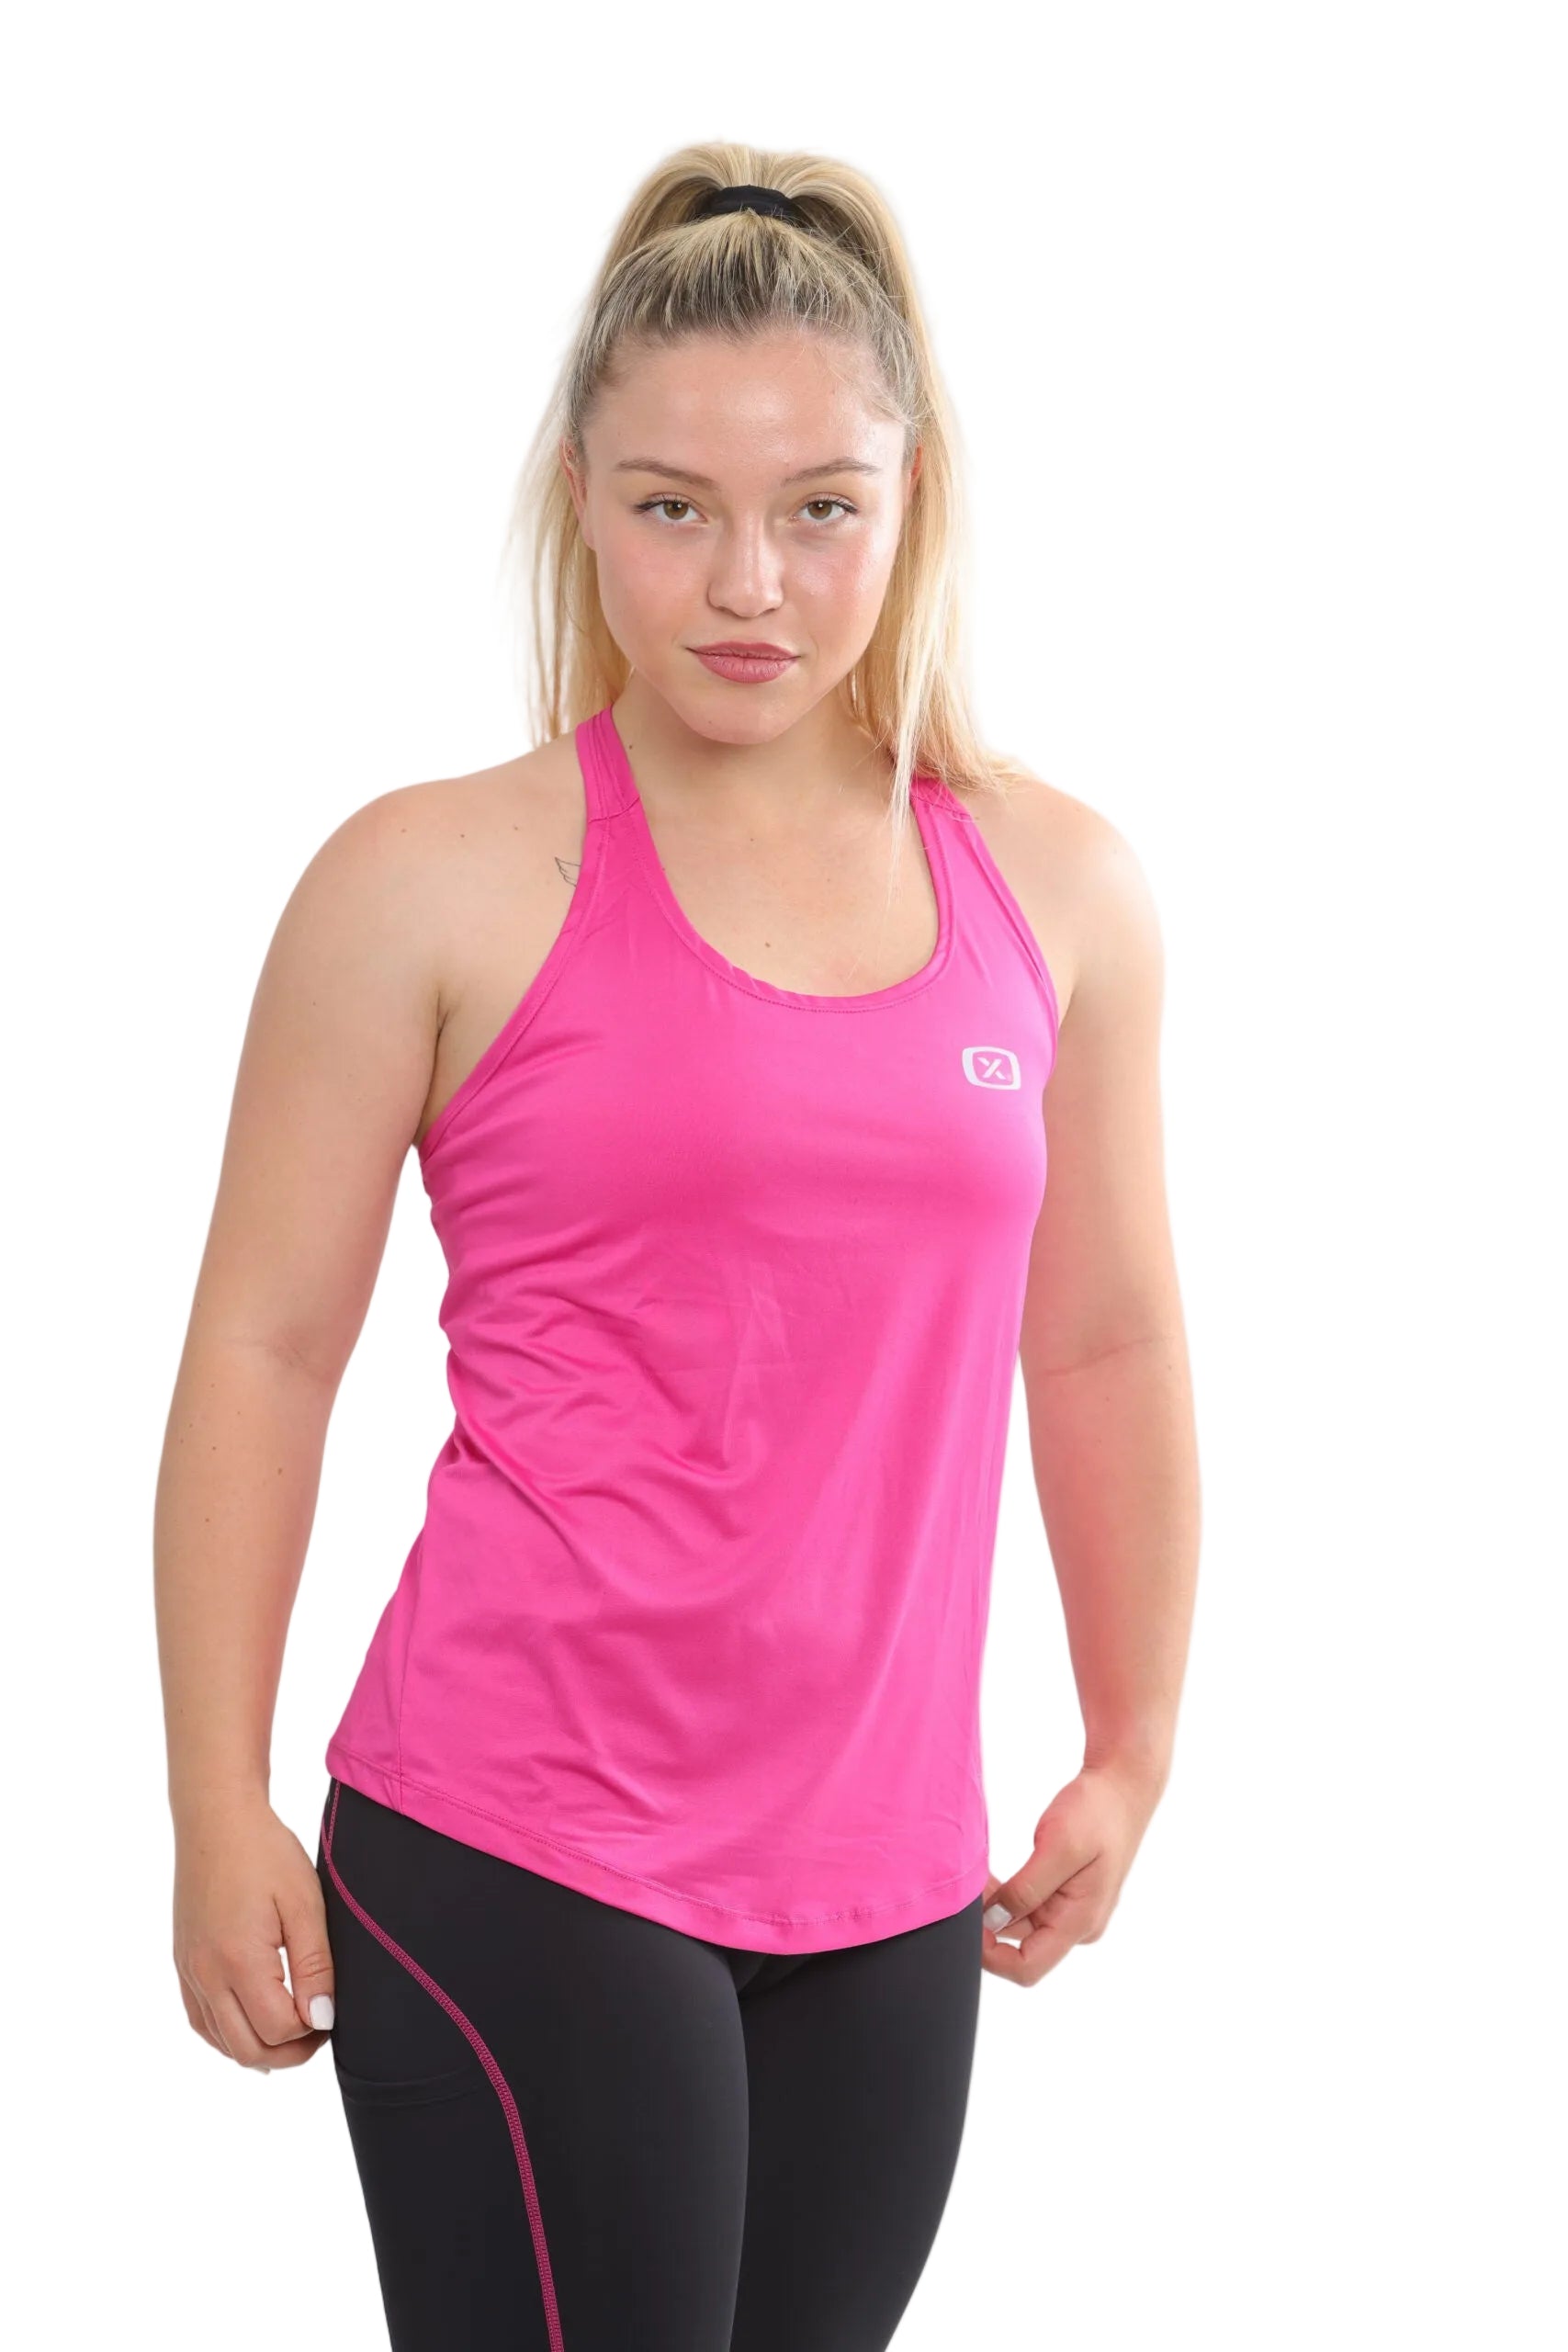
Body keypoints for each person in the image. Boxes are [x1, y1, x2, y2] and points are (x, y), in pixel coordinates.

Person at [155, 142, 1200, 2352]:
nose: (746, 581)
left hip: (887, 1875)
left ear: (911, 502)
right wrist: (211, 1797)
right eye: (669, 506)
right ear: (578, 497)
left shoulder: (1055, 890)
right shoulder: (428, 881)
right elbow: (262, 1344)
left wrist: (1131, 1735)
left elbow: (1102, 1337)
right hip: (517, 1830)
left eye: (818, 507)